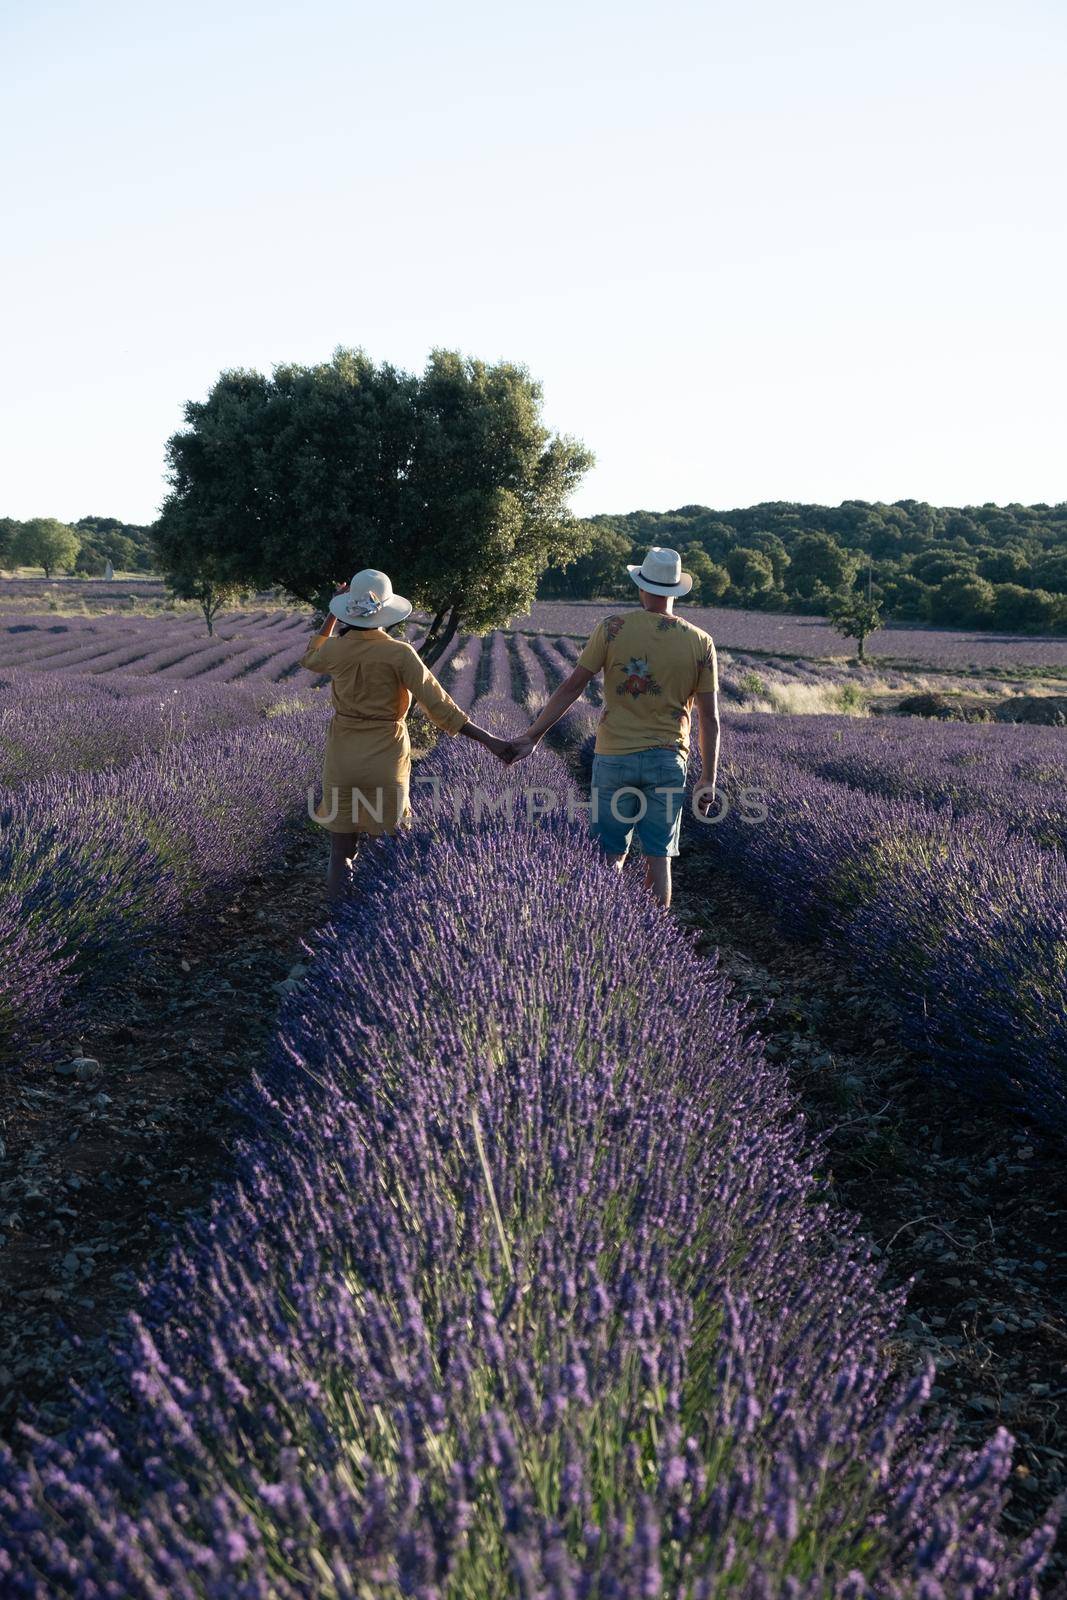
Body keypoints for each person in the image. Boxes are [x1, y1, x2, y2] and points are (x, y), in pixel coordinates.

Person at [508, 546, 720, 908]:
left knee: (609, 855)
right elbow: (710, 718)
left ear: (641, 586)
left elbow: (572, 687)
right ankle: (655, 941)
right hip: (668, 759)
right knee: (659, 856)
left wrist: (533, 735)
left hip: (614, 756)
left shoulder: (613, 629)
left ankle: (607, 924)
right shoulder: (700, 642)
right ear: (675, 591)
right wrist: (708, 778)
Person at [300, 568, 511, 900]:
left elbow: (310, 657)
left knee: (341, 850)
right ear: (385, 613)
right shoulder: (399, 653)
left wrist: (331, 612)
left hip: (342, 759)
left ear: (348, 610)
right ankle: (376, 922)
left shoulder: (336, 651)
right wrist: (491, 741)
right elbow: (438, 703)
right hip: (385, 757)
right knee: (389, 847)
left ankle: (334, 921)